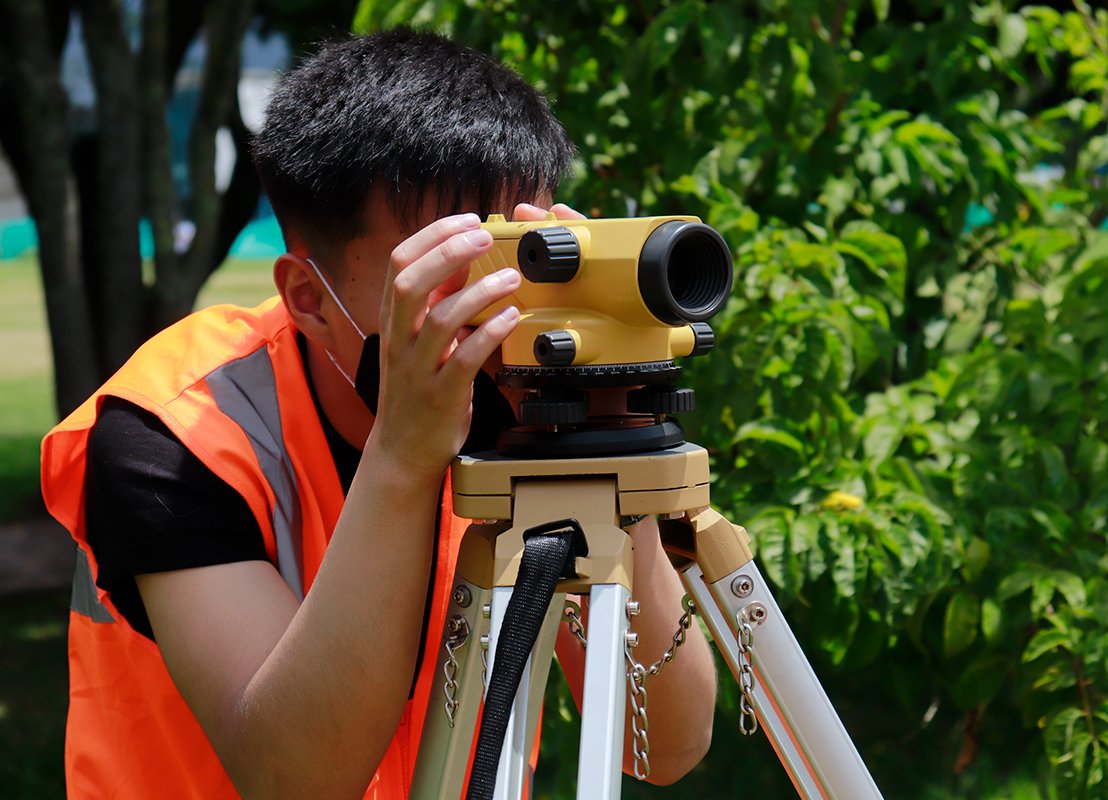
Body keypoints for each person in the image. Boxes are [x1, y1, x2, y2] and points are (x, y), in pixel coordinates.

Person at [41, 28, 716, 799]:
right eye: (448, 268)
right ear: (308, 297)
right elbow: (296, 780)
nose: (492, 306)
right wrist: (402, 457)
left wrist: (599, 433)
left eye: (521, 256)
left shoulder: (524, 413)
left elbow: (665, 746)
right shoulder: (173, 432)